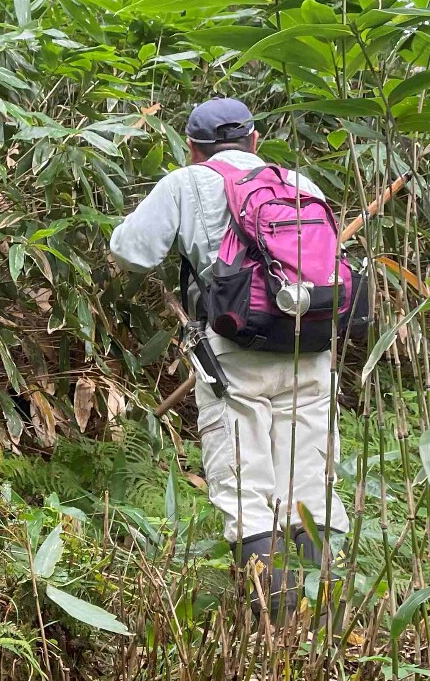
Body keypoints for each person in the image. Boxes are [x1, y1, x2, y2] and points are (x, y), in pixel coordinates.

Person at [109, 97, 349, 601]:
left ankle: (277, 628)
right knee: (312, 490)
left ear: (192, 147)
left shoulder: (186, 183)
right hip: (310, 347)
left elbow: (130, 251)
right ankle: (325, 627)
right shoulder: (300, 184)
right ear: (255, 140)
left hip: (235, 352)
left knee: (245, 492)